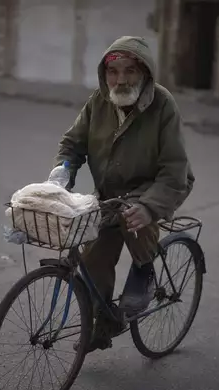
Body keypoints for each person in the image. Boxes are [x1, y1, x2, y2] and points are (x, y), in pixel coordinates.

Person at [53, 36, 195, 352]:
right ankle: (104, 324)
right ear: (105, 75)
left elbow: (174, 169)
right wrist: (61, 174)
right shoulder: (98, 103)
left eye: (130, 70)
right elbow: (72, 145)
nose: (121, 79)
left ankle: (145, 268)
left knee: (134, 216)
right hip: (110, 192)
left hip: (157, 185)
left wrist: (149, 207)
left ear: (144, 72)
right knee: (92, 255)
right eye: (113, 72)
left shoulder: (163, 105)